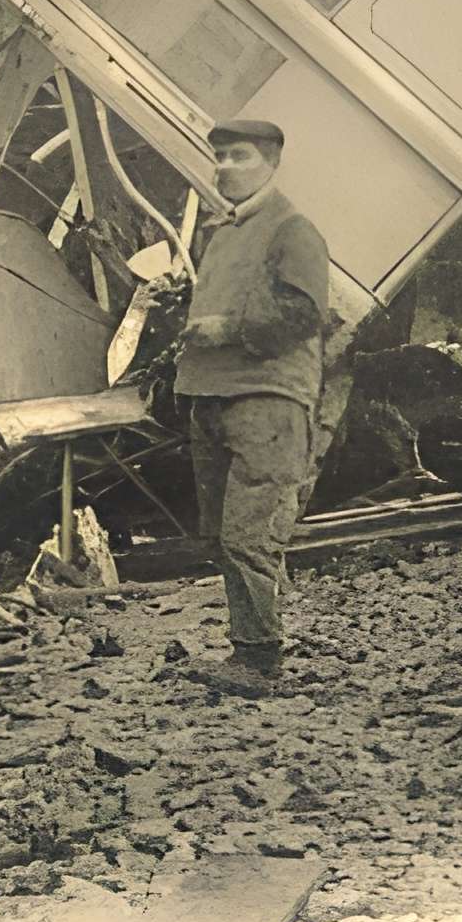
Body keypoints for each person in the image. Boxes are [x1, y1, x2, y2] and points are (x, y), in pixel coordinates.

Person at [173, 118, 332, 695]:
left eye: (239, 156)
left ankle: (260, 659)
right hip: (213, 398)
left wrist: (229, 330)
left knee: (248, 534)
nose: (224, 167)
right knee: (220, 534)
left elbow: (305, 313)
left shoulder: (293, 230)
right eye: (219, 156)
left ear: (272, 162)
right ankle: (247, 649)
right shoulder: (225, 232)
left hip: (267, 401)